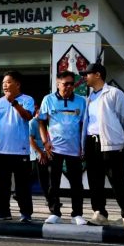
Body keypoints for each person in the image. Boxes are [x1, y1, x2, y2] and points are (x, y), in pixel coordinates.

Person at [80, 63, 124, 228]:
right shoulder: (90, 97)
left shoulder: (114, 93)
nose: (85, 77)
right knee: (95, 180)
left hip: (110, 143)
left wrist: (115, 133)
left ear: (97, 75)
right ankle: (100, 213)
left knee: (117, 179)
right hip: (91, 141)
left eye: (87, 74)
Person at [39, 71, 87, 225]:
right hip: (54, 149)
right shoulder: (48, 99)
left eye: (72, 84)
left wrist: (83, 146)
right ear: (58, 84)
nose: (69, 86)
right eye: (65, 84)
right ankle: (55, 213)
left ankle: (77, 214)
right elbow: (41, 122)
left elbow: (83, 125)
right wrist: (45, 142)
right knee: (53, 183)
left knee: (77, 184)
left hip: (74, 149)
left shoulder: (81, 101)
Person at [0, 71, 34, 222]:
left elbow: (27, 116)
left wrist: (13, 102)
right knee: (2, 185)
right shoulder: (0, 102)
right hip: (2, 150)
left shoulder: (27, 99)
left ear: (17, 84)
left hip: (21, 151)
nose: (5, 85)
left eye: (8, 82)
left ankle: (26, 213)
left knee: (22, 185)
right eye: (3, 83)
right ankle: (3, 212)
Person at [29, 105, 50, 203]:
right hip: (38, 154)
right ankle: (49, 199)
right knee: (43, 177)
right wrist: (40, 152)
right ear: (37, 113)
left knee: (35, 176)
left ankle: (18, 193)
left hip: (44, 152)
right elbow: (31, 140)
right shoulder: (33, 122)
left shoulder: (45, 123)